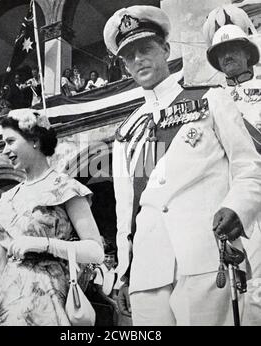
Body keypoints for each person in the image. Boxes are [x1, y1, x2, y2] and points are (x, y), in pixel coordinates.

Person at [103, 5, 261, 325]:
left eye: (145, 48)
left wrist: (237, 206)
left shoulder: (211, 98)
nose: (139, 59)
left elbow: (249, 168)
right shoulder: (127, 132)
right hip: (148, 272)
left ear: (165, 48)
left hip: (205, 258)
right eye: (129, 55)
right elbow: (126, 211)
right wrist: (124, 271)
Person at [0, 108, 104, 326]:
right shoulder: (6, 200)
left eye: (10, 141)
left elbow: (96, 252)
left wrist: (43, 244)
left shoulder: (65, 188)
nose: (5, 150)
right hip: (4, 309)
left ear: (34, 139)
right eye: (3, 143)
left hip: (48, 305)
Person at [203, 12, 261, 326]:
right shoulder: (211, 101)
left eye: (234, 49)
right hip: (232, 205)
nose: (227, 55)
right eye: (219, 52)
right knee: (236, 298)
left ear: (249, 53)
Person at [92, 242, 119, 325]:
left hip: (107, 306)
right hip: (96, 304)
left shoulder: (115, 273)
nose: (109, 259)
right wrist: (113, 302)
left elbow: (114, 294)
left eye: (111, 257)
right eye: (106, 256)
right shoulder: (99, 270)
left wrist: (117, 301)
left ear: (115, 259)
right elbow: (99, 292)